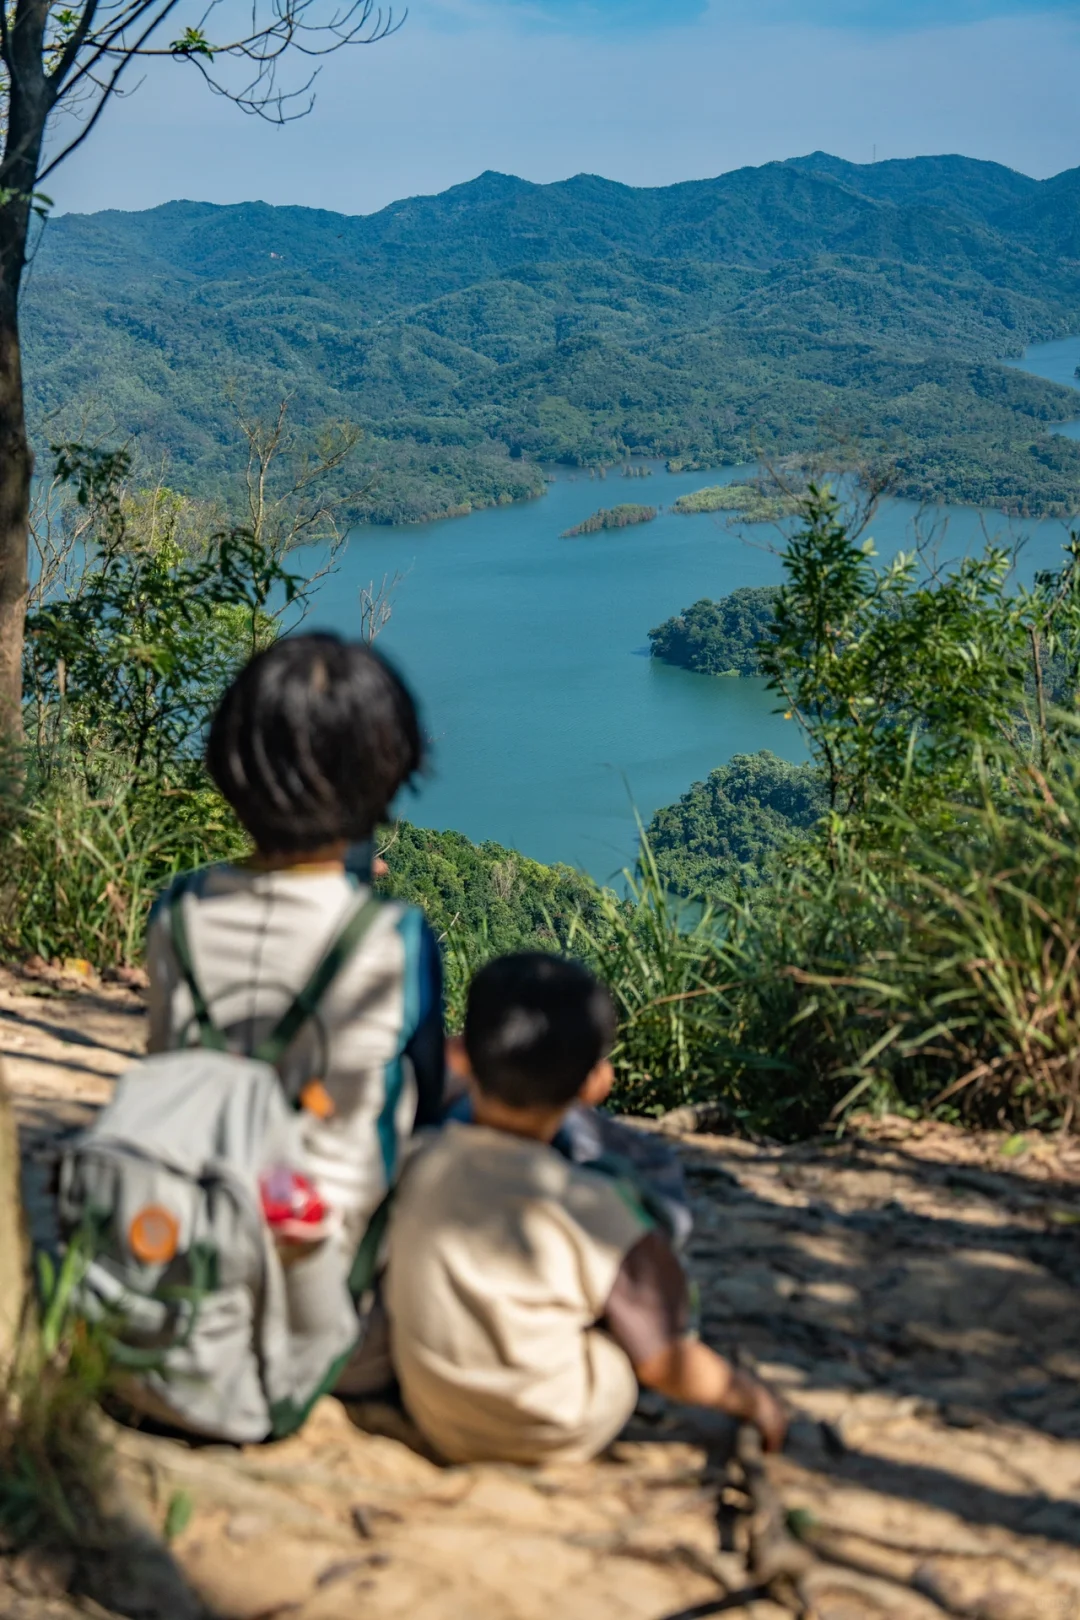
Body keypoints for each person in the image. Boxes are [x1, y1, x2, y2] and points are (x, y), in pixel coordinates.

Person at [145, 633, 445, 1343]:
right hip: (331, 1301)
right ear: (387, 772)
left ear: (232, 766)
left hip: (188, 1251)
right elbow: (424, 1106)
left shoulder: (178, 913)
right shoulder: (391, 936)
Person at [383, 952, 787, 1466]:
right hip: (553, 1428)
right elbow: (666, 1364)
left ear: (461, 1056)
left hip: (433, 1410)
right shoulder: (592, 1207)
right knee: (632, 1317)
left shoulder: (418, 1160)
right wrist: (751, 1399)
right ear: (596, 1083)